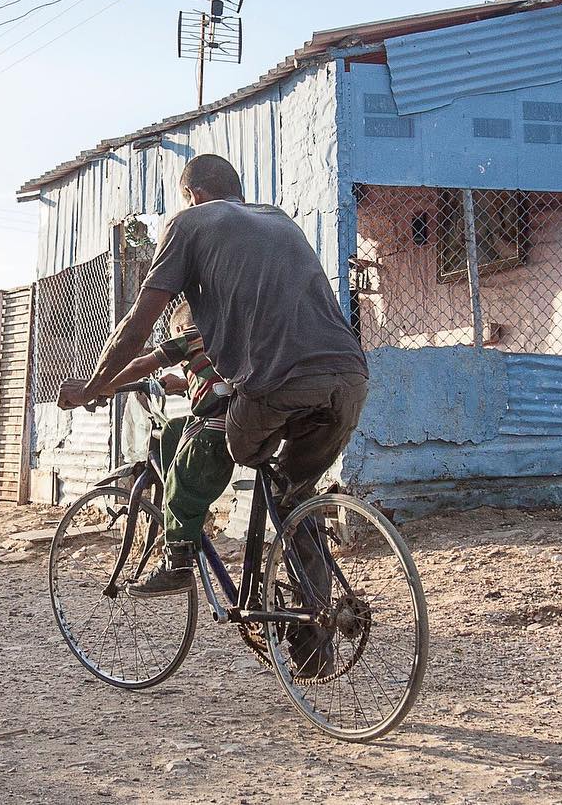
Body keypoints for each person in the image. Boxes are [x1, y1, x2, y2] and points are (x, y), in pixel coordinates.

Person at [59, 154, 369, 668]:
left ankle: (187, 560)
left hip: (276, 385)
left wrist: (93, 385)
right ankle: (314, 639)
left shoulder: (190, 223)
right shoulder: (278, 220)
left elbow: (136, 327)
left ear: (193, 195)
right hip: (349, 378)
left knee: (226, 441)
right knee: (294, 495)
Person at [76, 299, 235, 598]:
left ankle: (177, 564)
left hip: (213, 430)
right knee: (175, 428)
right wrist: (184, 383)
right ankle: (191, 517)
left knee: (177, 485)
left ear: (181, 329)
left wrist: (103, 386)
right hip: (239, 422)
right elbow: (215, 380)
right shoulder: (222, 335)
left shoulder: (191, 334)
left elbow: (142, 364)